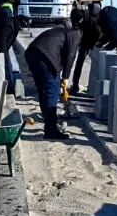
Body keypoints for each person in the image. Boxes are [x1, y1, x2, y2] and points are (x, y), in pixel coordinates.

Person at [24, 9, 84, 140]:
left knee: (43, 91)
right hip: (45, 56)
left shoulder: (63, 29)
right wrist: (65, 78)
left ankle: (49, 124)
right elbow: (70, 56)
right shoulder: (75, 34)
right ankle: (50, 129)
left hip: (32, 53)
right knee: (52, 91)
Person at [69, 2, 101, 95]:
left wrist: (95, 46)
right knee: (79, 64)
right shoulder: (77, 16)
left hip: (93, 44)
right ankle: (75, 86)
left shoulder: (92, 20)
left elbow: (99, 34)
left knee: (97, 65)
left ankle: (94, 88)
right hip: (84, 44)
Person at [0, 0, 19, 92]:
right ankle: (9, 88)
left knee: (6, 65)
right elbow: (4, 37)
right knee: (5, 65)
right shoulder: (9, 22)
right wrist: (4, 51)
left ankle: (8, 86)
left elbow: (11, 36)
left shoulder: (3, 14)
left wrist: (7, 47)